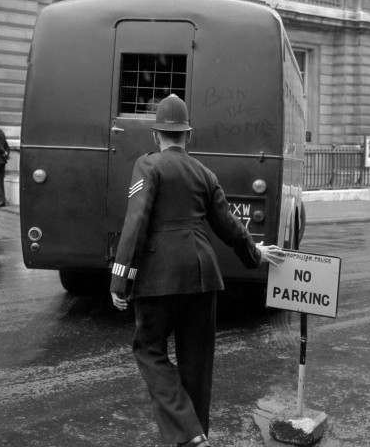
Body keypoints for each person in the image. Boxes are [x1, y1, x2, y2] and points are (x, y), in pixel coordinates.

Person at [110, 94, 284, 447]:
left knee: (149, 350)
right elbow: (229, 225)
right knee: (197, 364)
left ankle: (188, 435)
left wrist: (120, 280)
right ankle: (197, 436)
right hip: (203, 274)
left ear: (156, 135)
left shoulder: (148, 166)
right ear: (188, 135)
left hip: (159, 275)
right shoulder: (205, 173)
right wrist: (256, 253)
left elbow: (136, 223)